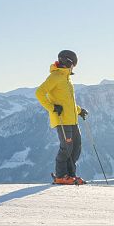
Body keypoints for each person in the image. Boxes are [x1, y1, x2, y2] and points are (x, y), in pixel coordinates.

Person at [35, 50, 89, 185]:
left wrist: (79, 110)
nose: (73, 68)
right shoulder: (55, 77)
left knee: (76, 148)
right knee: (67, 148)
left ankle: (71, 176)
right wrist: (52, 107)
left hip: (72, 120)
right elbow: (39, 93)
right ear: (68, 62)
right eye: (73, 65)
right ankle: (60, 176)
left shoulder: (67, 79)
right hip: (62, 120)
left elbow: (68, 102)